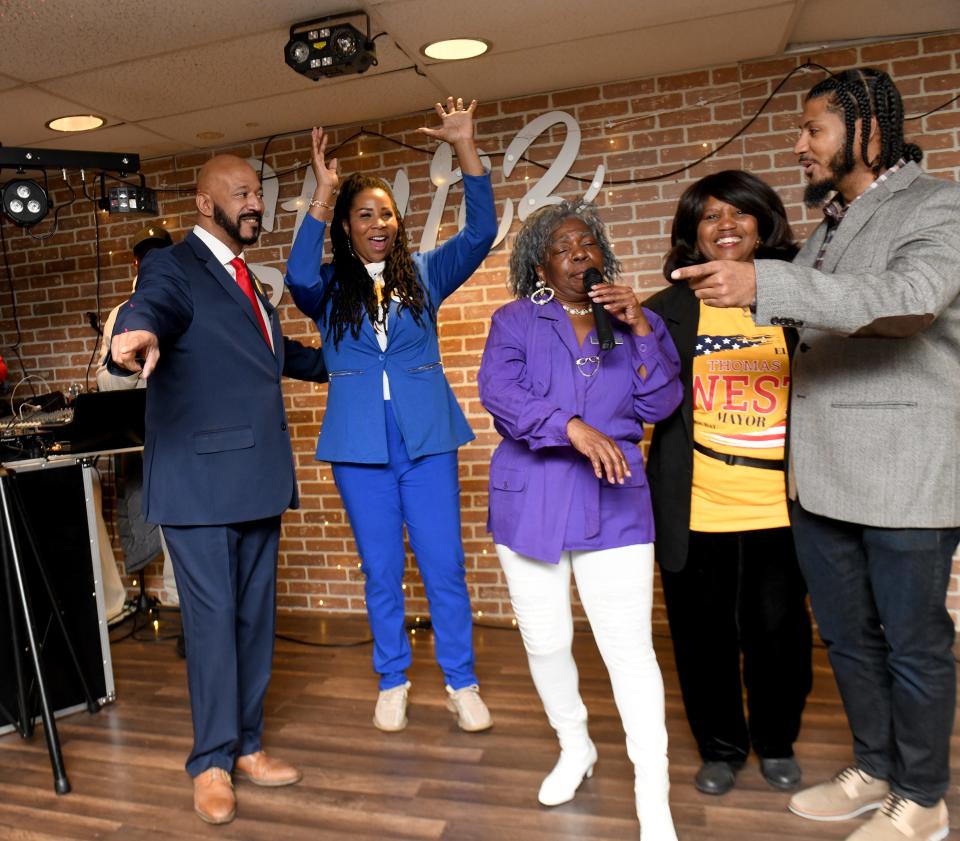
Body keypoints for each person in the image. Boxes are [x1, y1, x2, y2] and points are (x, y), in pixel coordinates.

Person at [672, 67, 960, 841]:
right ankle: (874, 767)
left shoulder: (939, 204)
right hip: (819, 479)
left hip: (905, 471)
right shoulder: (833, 224)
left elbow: (908, 298)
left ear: (868, 131)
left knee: (912, 642)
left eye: (813, 130)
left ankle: (923, 796)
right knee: (848, 639)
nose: (799, 145)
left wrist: (765, 280)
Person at [110, 154, 328, 825]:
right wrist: (134, 331)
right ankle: (210, 759)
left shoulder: (248, 283)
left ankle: (248, 745)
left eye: (258, 193)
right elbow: (154, 309)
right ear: (205, 204)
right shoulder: (173, 268)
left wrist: (342, 360)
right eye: (240, 193)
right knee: (211, 626)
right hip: (201, 483)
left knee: (253, 621)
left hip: (259, 479)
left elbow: (271, 354)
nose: (253, 203)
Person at [284, 97, 497, 733]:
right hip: (358, 448)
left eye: (387, 213)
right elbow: (295, 273)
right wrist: (322, 192)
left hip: (427, 440)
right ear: (346, 225)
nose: (379, 221)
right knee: (380, 568)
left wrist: (465, 147)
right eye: (365, 213)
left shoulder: (427, 274)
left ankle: (461, 682)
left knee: (444, 563)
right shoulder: (327, 288)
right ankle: (393, 678)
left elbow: (481, 232)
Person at [478, 200, 682, 840]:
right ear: (540, 262)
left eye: (588, 245)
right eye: (564, 248)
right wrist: (569, 426)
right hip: (531, 497)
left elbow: (661, 400)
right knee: (546, 641)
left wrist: (642, 327)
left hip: (614, 498)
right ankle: (576, 747)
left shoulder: (633, 322)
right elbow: (501, 396)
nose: (580, 256)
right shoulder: (514, 320)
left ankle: (654, 799)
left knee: (629, 652)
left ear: (604, 255)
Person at [645, 170, 812, 797]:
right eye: (709, 216)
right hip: (696, 509)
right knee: (702, 641)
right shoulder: (668, 311)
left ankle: (776, 742)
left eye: (738, 212)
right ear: (692, 233)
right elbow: (643, 397)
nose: (725, 226)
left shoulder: (798, 296)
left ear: (762, 221)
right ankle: (720, 747)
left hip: (780, 509)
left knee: (780, 635)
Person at [97, 225, 181, 634]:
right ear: (136, 263)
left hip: (185, 430)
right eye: (146, 256)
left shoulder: (186, 298)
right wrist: (124, 364)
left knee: (186, 528)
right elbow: (106, 384)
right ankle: (183, 615)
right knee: (163, 521)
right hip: (146, 433)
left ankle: (191, 620)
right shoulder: (120, 313)